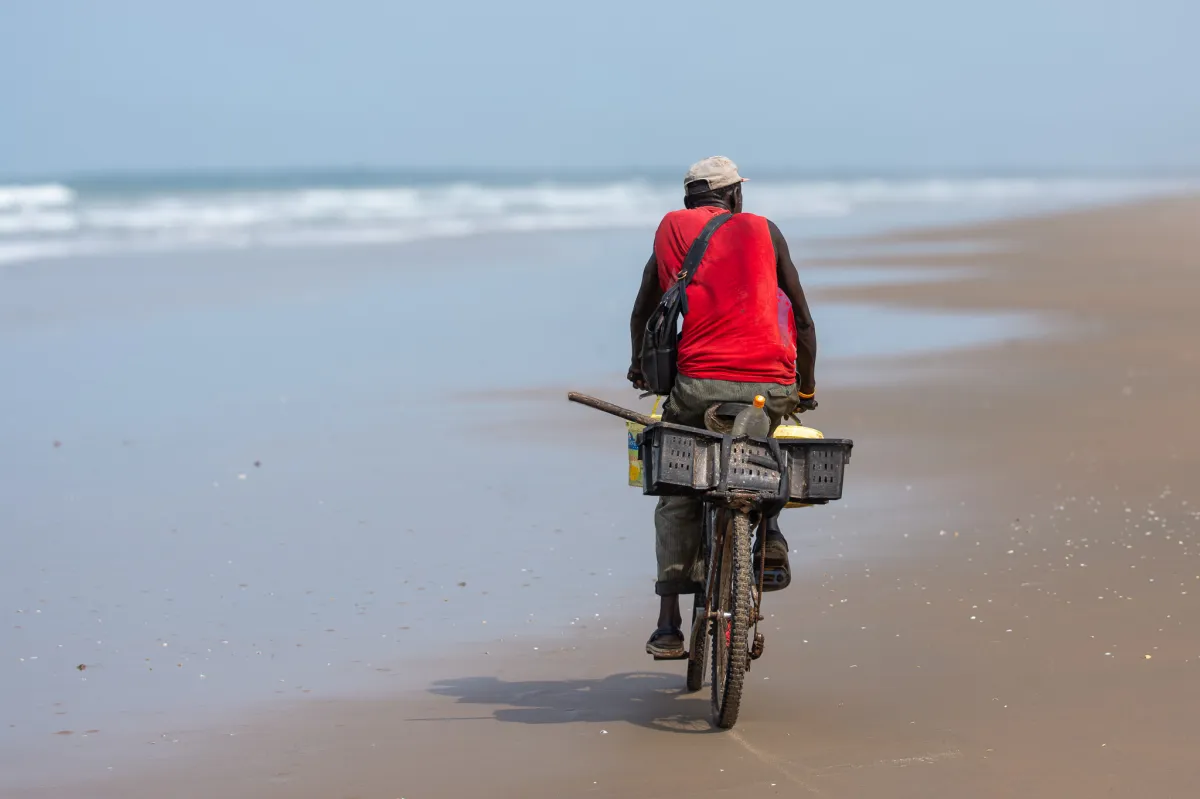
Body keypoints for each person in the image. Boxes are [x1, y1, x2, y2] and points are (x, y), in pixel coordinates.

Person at [627, 156, 818, 658]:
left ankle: (668, 625)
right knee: (766, 440)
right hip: (770, 383)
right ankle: (770, 529)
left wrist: (637, 367)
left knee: (677, 485)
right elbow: (801, 317)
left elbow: (644, 309)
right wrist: (804, 390)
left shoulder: (671, 229)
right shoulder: (765, 231)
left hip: (696, 388)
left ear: (690, 198)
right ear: (733, 196)